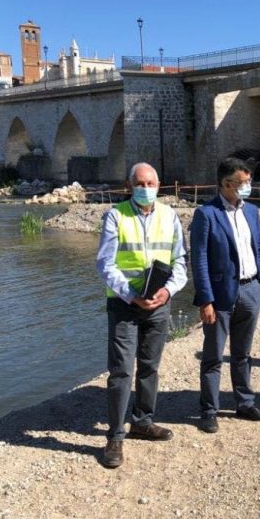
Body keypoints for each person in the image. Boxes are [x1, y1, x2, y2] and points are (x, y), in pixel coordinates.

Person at [96, 162, 188, 469]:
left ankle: (143, 421)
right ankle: (115, 436)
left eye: (150, 183)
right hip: (125, 305)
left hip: (159, 304)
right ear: (129, 185)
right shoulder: (115, 215)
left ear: (159, 185)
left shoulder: (169, 216)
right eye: (140, 183)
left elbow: (179, 261)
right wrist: (131, 294)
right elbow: (105, 264)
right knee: (121, 370)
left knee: (150, 366)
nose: (146, 189)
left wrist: (168, 291)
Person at [190, 157, 260, 433]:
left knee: (243, 353)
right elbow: (199, 260)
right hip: (221, 295)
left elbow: (259, 247)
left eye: (248, 181)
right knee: (213, 356)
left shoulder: (252, 211)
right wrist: (206, 299)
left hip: (251, 290)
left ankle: (245, 403)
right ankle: (209, 410)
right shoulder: (206, 214)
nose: (248, 186)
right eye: (243, 183)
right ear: (226, 184)